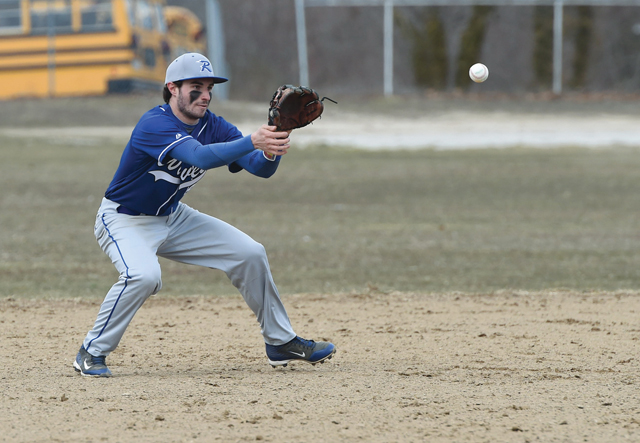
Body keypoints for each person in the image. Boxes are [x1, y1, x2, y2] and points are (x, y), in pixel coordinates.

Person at [73, 53, 336, 377]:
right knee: (143, 276)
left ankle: (280, 342)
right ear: (172, 88)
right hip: (123, 219)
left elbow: (259, 168)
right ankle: (91, 351)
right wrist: (251, 140)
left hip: (172, 216)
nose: (206, 95)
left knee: (249, 253)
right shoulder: (154, 123)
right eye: (196, 87)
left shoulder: (213, 125)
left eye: (210, 87)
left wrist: (273, 141)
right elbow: (198, 157)